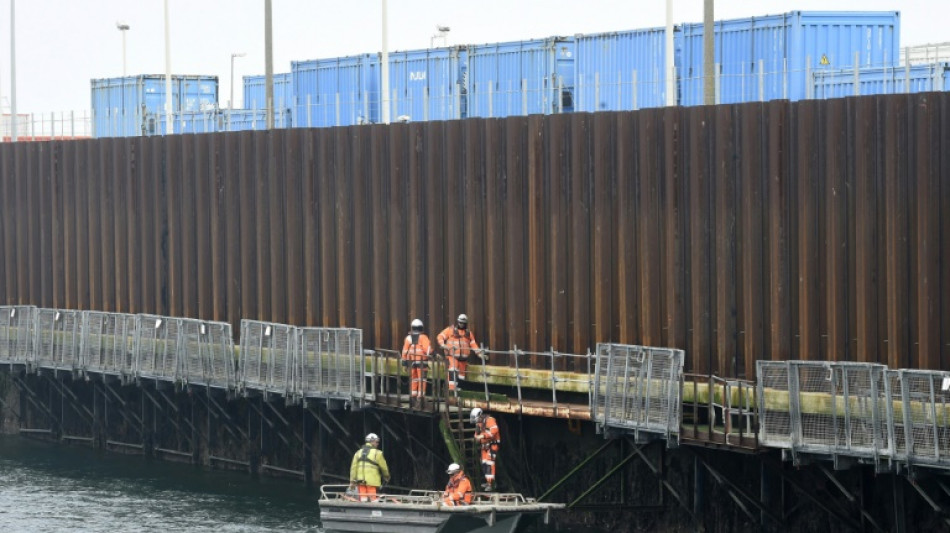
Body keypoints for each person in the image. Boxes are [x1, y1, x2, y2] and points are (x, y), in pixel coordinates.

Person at [437, 313, 483, 394]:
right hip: (452, 356)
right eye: (460, 322)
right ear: (458, 322)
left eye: (463, 323)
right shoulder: (450, 330)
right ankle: (451, 390)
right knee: (453, 370)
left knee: (461, 375)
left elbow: (473, 344)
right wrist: (443, 345)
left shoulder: (468, 333)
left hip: (463, 359)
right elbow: (440, 336)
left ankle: (458, 389)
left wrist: (479, 353)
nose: (461, 324)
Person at [349, 433, 390, 502]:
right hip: (372, 482)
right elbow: (384, 468)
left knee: (363, 499)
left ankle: (363, 511)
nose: (377, 444)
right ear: (372, 442)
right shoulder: (378, 453)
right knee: (373, 500)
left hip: (360, 481)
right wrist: (386, 476)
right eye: (376, 442)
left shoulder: (357, 453)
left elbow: (353, 468)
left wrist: (352, 481)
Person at [401, 318, 433, 404]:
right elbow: (427, 349)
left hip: (411, 362)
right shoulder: (423, 337)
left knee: (414, 379)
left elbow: (404, 351)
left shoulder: (408, 338)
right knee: (422, 380)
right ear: (421, 328)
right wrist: (434, 353)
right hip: (422, 362)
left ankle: (413, 397)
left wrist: (404, 363)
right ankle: (420, 398)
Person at [470, 407, 500, 491]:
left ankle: (492, 484)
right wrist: (476, 437)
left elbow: (494, 431)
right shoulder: (479, 424)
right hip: (484, 446)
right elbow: (476, 434)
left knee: (490, 463)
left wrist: (483, 436)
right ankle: (488, 482)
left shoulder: (490, 420)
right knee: (484, 464)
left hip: (492, 445)